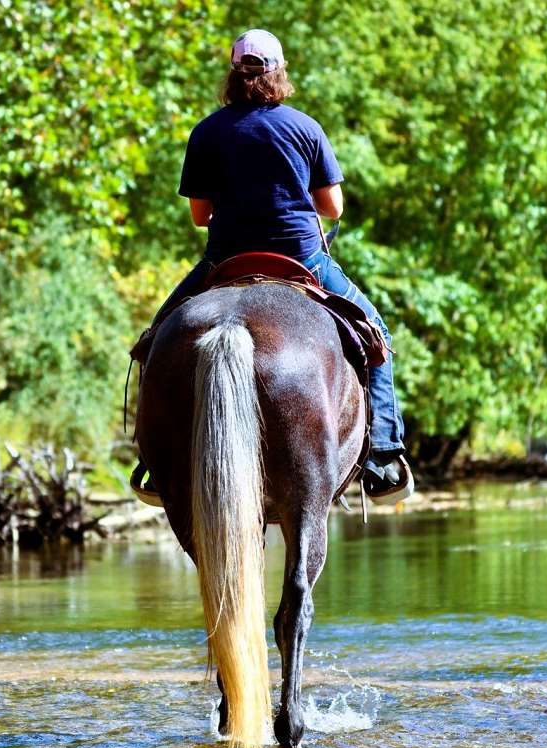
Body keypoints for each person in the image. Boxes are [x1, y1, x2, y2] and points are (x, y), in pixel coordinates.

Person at [152, 29, 413, 504]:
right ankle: (381, 456)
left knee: (156, 339)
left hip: (225, 259)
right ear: (279, 72)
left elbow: (199, 216)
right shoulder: (305, 127)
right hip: (302, 257)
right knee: (377, 335)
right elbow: (332, 208)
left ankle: (153, 462)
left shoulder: (207, 131)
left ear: (233, 74)